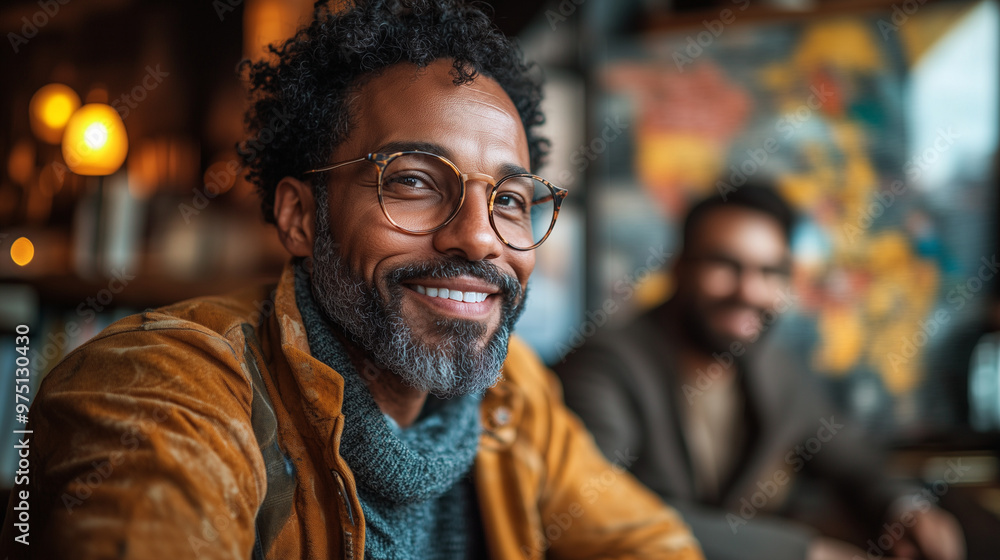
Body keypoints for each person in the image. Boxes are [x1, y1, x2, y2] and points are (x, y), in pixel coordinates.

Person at [0, 2, 705, 559]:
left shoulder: (511, 394)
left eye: (511, 200)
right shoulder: (162, 387)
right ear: (302, 216)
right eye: (412, 182)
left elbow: (648, 545)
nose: (480, 235)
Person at [555, 184, 965, 560]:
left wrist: (907, 509)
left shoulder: (775, 368)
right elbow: (594, 509)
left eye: (770, 273)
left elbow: (855, 460)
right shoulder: (605, 363)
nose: (749, 291)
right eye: (725, 265)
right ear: (678, 267)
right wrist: (802, 554)